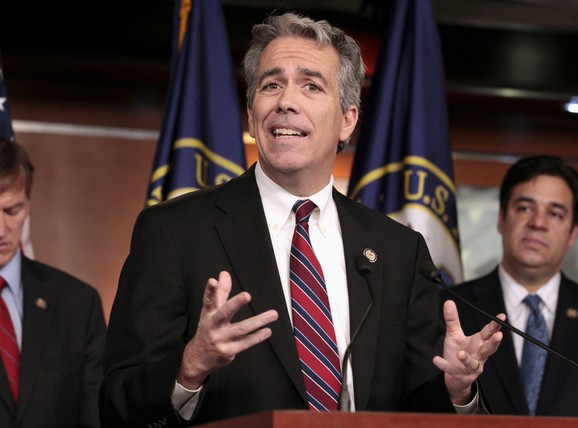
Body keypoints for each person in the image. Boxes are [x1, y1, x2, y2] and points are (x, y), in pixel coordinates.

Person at [99, 12, 502, 427]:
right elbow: (117, 401)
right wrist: (189, 369)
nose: (286, 102)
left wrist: (458, 391)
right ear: (252, 116)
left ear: (347, 120)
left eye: (311, 85)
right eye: (271, 85)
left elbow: (418, 409)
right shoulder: (175, 231)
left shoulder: (397, 249)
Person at [449, 155, 578, 416]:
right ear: (501, 219)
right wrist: (459, 392)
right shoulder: (449, 307)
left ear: (572, 233)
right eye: (524, 208)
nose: (538, 223)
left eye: (555, 213)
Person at [0, 138, 106, 427]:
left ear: (28, 204)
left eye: (12, 211)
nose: (1, 230)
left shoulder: (77, 305)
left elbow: (95, 418)